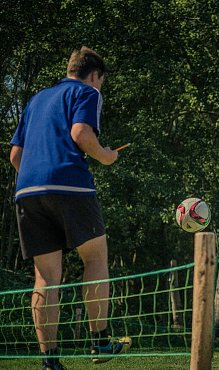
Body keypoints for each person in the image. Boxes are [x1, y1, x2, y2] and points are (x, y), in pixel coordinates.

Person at [9, 46, 130, 370]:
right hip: (70, 186)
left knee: (46, 278)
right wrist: (106, 156)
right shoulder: (86, 93)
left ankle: (50, 361)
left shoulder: (36, 100)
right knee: (95, 257)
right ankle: (100, 341)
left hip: (28, 190)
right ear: (95, 75)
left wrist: (38, 179)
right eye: (101, 82)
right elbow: (80, 133)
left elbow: (14, 155)